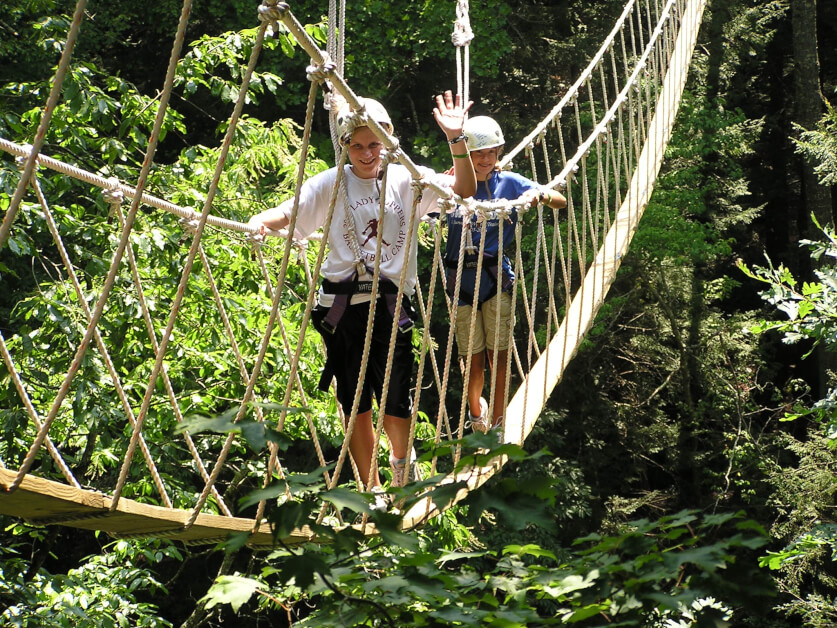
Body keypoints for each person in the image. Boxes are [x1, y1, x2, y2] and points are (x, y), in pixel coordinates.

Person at [249, 91, 475, 492]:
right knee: (356, 404)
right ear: (344, 146)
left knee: (396, 399)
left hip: (391, 306)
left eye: (374, 144)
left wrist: (456, 139)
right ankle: (371, 487)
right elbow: (287, 213)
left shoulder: (408, 177)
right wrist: (258, 222)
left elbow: (464, 189)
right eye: (357, 145)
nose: (366, 153)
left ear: (388, 141)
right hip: (341, 307)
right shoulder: (331, 183)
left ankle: (401, 468)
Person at [444, 115, 566, 434]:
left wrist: (537, 195)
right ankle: (476, 413)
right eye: (477, 154)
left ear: (499, 153)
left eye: (490, 153)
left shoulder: (510, 183)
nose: (485, 160)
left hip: (497, 281)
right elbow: (420, 207)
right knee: (473, 363)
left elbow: (559, 200)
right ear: (465, 155)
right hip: (460, 285)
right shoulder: (451, 186)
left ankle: (498, 422)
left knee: (499, 359)